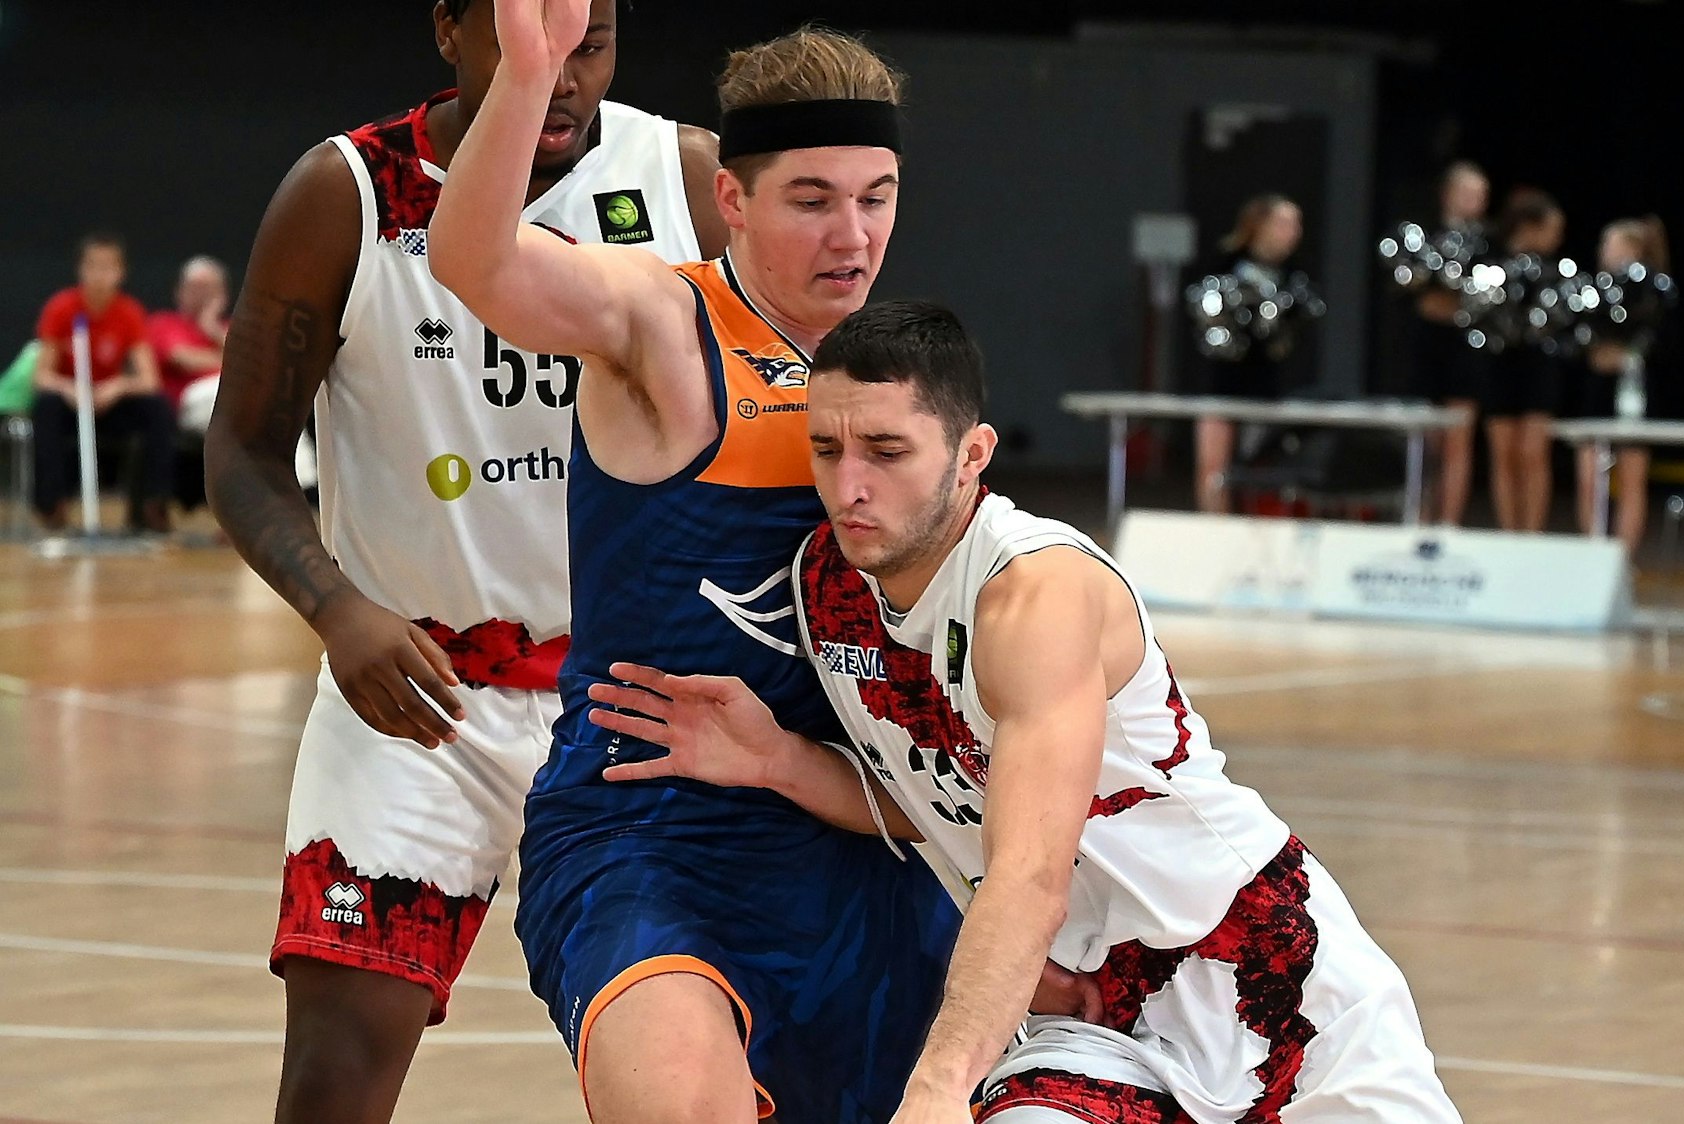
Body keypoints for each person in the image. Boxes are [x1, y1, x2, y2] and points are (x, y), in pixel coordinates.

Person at [592, 300, 1464, 1124]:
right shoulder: (825, 585)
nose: (848, 485)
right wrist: (777, 760)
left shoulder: (1034, 593)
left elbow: (1029, 874)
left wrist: (936, 1089)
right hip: (1092, 1019)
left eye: (887, 452)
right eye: (826, 449)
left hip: (1266, 973)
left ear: (972, 455)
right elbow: (943, 802)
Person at [426, 6, 957, 1122]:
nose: (850, 236)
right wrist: (529, 73)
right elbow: (471, 260)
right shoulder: (665, 322)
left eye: (876, 197)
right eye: (811, 201)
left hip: (851, 831)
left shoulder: (906, 379)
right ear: (733, 198)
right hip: (645, 829)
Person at [203, 1, 722, 1119]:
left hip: (631, 701)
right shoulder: (344, 193)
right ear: (449, 29)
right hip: (415, 695)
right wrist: (335, 606)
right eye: (531, 36)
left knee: (690, 1075)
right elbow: (241, 448)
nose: (564, 73)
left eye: (593, 41)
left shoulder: (684, 180)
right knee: (335, 1074)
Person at [31, 232, 175, 533]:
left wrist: (119, 386)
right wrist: (69, 389)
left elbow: (149, 379)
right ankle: (52, 503)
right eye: (92, 266)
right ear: (80, 270)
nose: (99, 275)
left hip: (110, 404)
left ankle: (153, 502)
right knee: (46, 405)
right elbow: (41, 376)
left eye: (108, 267)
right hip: (71, 404)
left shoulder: (129, 312)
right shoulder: (61, 308)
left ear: (121, 273)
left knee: (158, 409)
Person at [1191, 193, 1310, 514]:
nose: (1294, 232)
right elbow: (1208, 320)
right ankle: (1214, 536)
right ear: (1260, 226)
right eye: (1285, 223)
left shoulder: (1295, 278)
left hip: (1271, 389)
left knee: (1263, 470)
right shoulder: (1224, 268)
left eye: (1297, 224)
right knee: (1213, 469)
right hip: (1223, 383)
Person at [1570, 216, 1674, 552]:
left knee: (1631, 479)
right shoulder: (1593, 292)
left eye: (1610, 244)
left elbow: (1656, 340)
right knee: (1589, 478)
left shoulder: (1651, 289)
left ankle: (1622, 560)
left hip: (1633, 388)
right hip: (1596, 386)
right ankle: (1593, 553)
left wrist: (1625, 353)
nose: (1604, 251)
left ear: (1632, 250)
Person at [1410, 161, 1490, 525]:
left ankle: (1449, 523)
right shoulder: (1422, 239)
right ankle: (1422, 519)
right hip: (1427, 344)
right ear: (1447, 194)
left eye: (1481, 195)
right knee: (1429, 442)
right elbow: (1417, 291)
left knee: (1460, 438)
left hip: (1466, 345)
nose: (1475, 201)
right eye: (1468, 193)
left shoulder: (1488, 245)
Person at [1483, 189, 1565, 533]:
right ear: (1530, 227)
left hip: (1539, 364)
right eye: (1552, 229)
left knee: (1534, 454)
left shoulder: (1555, 274)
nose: (1557, 238)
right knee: (1504, 454)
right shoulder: (1494, 267)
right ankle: (1509, 533)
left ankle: (1532, 533)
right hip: (1499, 362)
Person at [147, 255, 231, 434]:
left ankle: (299, 462)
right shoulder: (165, 322)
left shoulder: (231, 329)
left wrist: (212, 329)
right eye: (196, 288)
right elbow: (182, 359)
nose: (202, 295)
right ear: (180, 291)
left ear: (222, 294)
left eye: (209, 289)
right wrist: (231, 363)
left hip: (238, 400)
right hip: (190, 403)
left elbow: (255, 367)